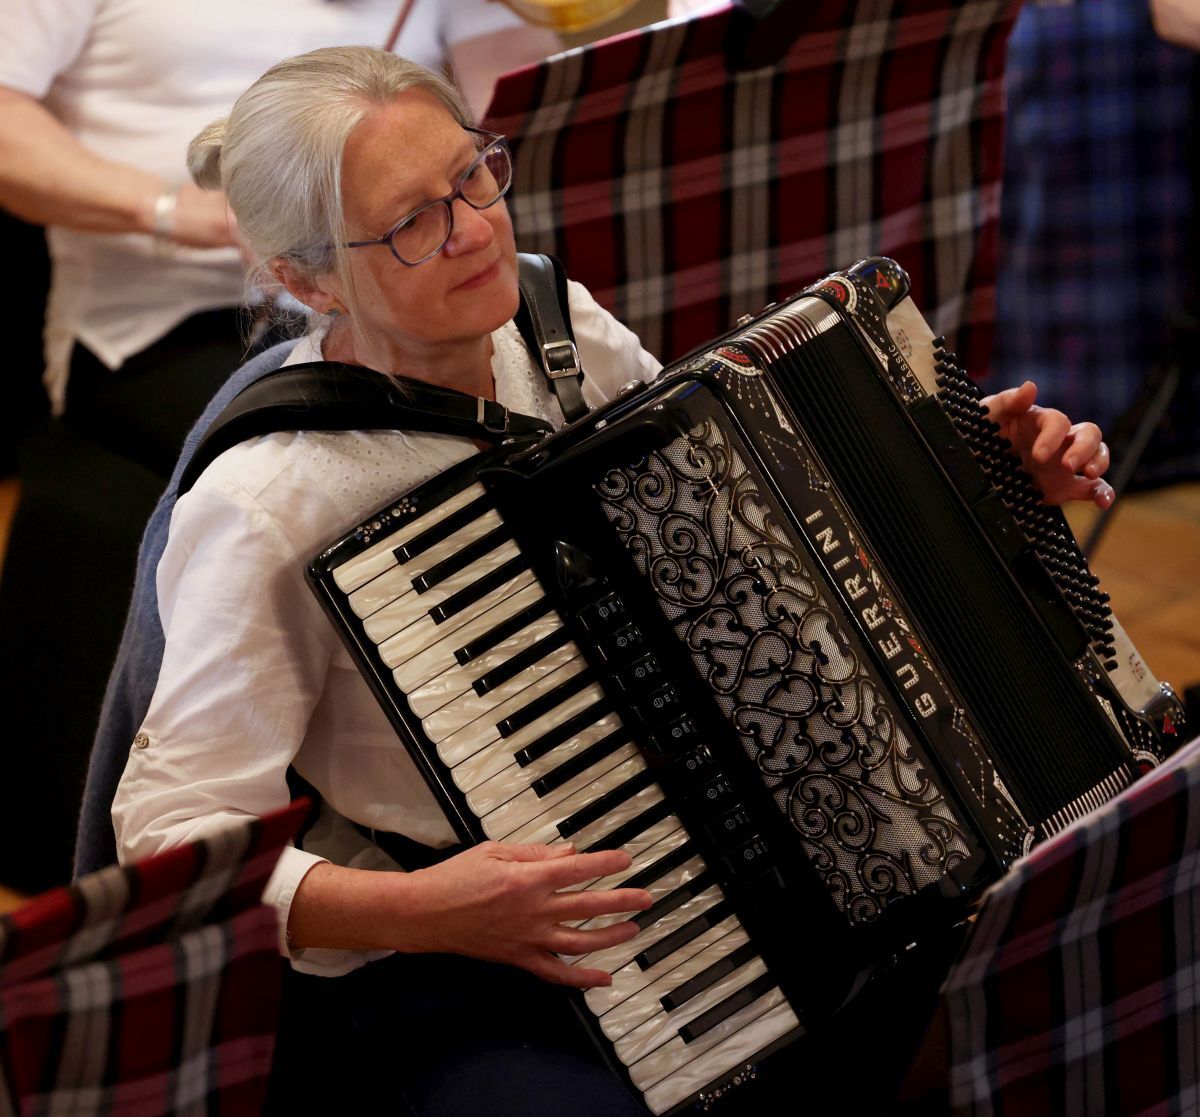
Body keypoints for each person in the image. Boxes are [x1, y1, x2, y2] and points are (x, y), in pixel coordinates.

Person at [96, 45, 1117, 1113]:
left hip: (713, 858)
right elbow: (173, 846)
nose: (478, 229)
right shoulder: (270, 498)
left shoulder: (557, 325)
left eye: (474, 176)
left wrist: (967, 486)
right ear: (306, 279)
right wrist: (430, 909)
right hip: (453, 960)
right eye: (412, 223)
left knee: (1017, 950)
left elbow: (753, 560)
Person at [0, 0, 561, 893]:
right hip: (164, 324)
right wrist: (171, 212)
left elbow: (512, 105)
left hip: (391, 267)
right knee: (362, 471)